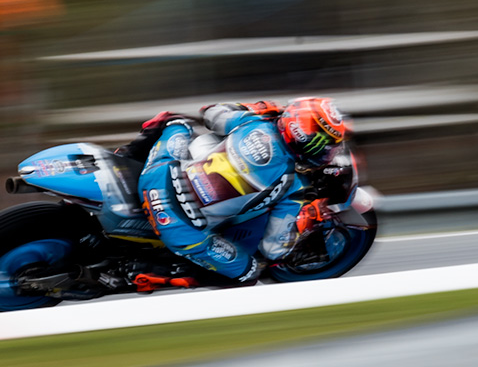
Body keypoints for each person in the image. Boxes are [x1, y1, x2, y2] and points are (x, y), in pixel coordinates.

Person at [119, 97, 352, 287]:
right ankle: (159, 273)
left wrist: (253, 108)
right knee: (249, 272)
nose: (330, 150)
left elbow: (210, 113)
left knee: (176, 123)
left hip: (157, 175)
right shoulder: (293, 186)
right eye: (328, 144)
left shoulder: (251, 123)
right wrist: (305, 221)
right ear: (309, 140)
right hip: (176, 225)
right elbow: (273, 249)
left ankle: (122, 159)